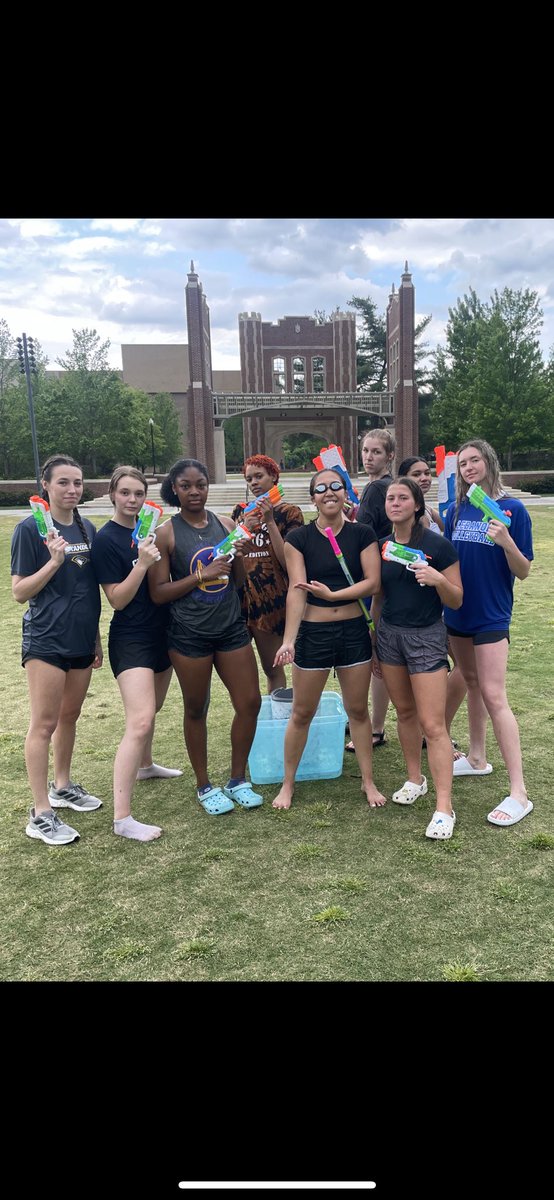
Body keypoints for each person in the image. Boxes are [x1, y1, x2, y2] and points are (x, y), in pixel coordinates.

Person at [148, 459, 262, 816]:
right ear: (175, 489)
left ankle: (237, 778)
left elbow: (237, 582)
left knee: (250, 703)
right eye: (186, 486)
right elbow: (159, 593)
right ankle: (203, 784)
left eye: (200, 484)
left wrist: (238, 556)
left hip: (229, 629)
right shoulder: (167, 533)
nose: (195, 491)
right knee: (197, 708)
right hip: (189, 635)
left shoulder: (225, 525)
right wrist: (202, 574)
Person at [271, 468, 384, 812]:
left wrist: (334, 595)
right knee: (302, 712)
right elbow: (297, 590)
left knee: (358, 711)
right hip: (314, 633)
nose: (329, 492)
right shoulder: (298, 539)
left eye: (335, 485)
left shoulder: (362, 534)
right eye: (321, 488)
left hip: (353, 632)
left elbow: (372, 582)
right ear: (313, 498)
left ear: (345, 492)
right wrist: (289, 639)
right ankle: (287, 783)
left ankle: (368, 781)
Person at [11, 454, 103, 847]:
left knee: (70, 715)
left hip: (81, 639)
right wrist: (52, 563)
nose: (72, 490)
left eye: (78, 483)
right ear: (45, 486)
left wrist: (97, 639)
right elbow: (19, 592)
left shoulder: (89, 527)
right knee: (44, 723)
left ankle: (61, 786)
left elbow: (88, 590)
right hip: (46, 640)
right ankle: (40, 813)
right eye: (63, 482)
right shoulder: (30, 529)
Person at [443, 439, 534, 827]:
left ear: (489, 462)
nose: (468, 468)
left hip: (491, 616)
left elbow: (523, 570)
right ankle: (477, 758)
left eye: (474, 460)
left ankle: (519, 793)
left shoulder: (512, 509)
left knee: (495, 695)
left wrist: (506, 540)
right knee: (472, 681)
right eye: (462, 463)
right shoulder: (459, 508)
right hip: (457, 613)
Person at [90, 467, 183, 842]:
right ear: (113, 494)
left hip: (165, 631)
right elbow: (117, 599)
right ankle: (122, 818)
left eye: (139, 494)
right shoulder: (107, 540)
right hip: (132, 637)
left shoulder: (151, 530)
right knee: (140, 720)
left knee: (154, 708)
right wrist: (143, 563)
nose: (132, 500)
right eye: (125, 493)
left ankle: (145, 765)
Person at [371, 476, 463, 839]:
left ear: (416, 505)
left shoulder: (438, 546)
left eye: (403, 498)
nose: (395, 503)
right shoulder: (382, 547)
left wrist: (437, 578)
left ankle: (445, 807)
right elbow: (379, 597)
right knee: (404, 713)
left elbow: (456, 598)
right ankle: (415, 778)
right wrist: (376, 636)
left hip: (426, 637)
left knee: (433, 724)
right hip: (390, 636)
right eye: (390, 498)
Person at [398, 455, 467, 741]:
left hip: (445, 603)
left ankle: (438, 728)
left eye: (427, 473)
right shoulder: (408, 520)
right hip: (423, 615)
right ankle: (434, 729)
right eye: (417, 474)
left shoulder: (435, 513)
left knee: (464, 669)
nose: (424, 478)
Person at [230, 454, 304, 693]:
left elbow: (289, 562)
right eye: (248, 478)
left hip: (272, 600)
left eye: (259, 476)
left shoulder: (290, 513)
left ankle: (285, 717)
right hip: (243, 598)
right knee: (246, 671)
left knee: (273, 668)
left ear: (274, 476)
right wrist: (242, 529)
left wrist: (270, 522)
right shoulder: (240, 513)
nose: (253, 482)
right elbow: (230, 555)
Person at [345, 427, 395, 752]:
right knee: (382, 652)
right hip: (389, 574)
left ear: (390, 455)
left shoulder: (377, 487)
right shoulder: (390, 486)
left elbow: (362, 536)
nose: (368, 457)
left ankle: (374, 726)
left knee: (374, 652)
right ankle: (372, 721)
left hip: (375, 578)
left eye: (376, 452)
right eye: (365, 451)